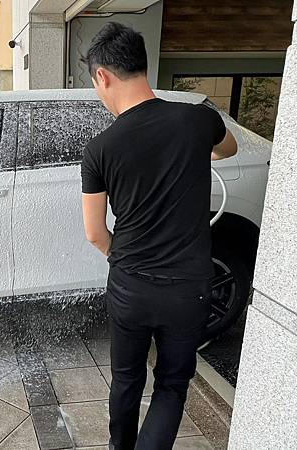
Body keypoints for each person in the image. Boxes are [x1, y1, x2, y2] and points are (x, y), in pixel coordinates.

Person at [80, 22, 237, 450]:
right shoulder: (198, 120)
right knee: (171, 385)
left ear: (103, 76)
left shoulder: (99, 149)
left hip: (130, 286)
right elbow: (231, 149)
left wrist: (121, 258)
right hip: (188, 289)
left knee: (126, 380)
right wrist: (197, 149)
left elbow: (94, 233)